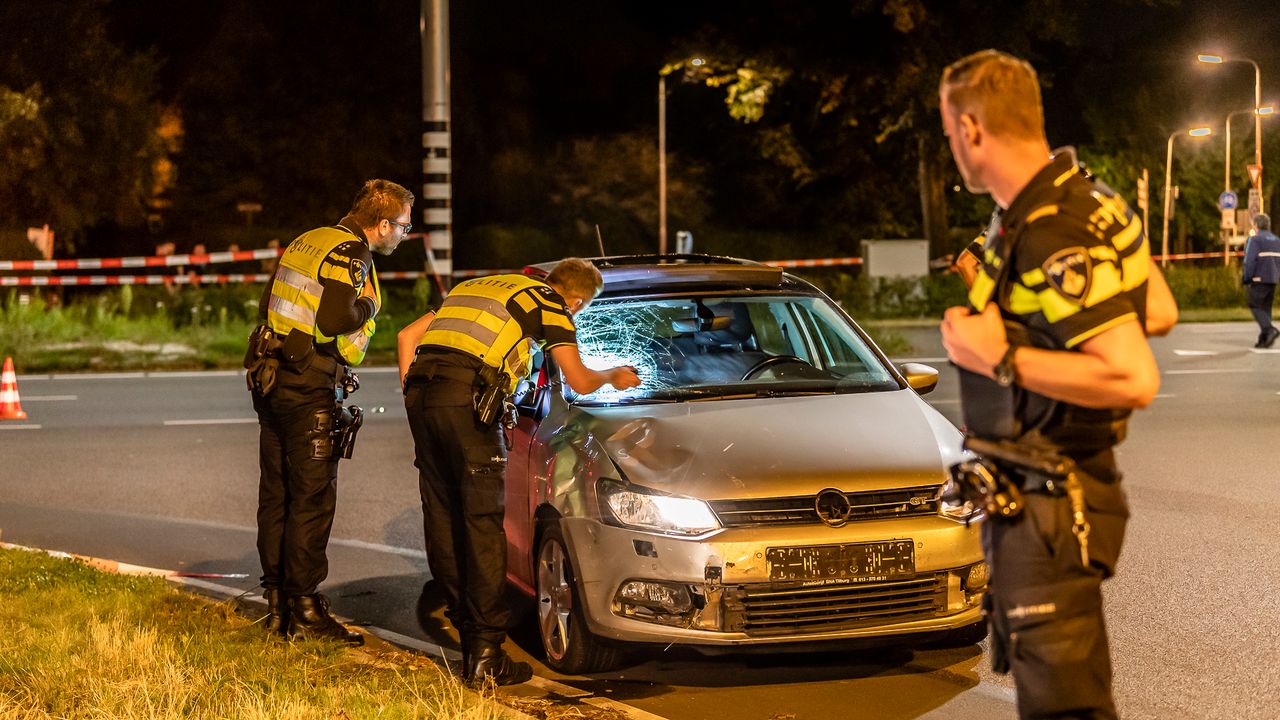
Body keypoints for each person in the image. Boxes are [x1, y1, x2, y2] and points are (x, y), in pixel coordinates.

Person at [938, 50, 1169, 719]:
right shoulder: (1078, 200)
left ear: (973, 128)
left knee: (1064, 711)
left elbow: (1132, 374)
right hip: (1042, 498)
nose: (953, 146)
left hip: (1049, 503)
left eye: (951, 132)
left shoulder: (1052, 225)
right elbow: (1156, 309)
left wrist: (1000, 355)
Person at [397, 258, 640, 685]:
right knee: (482, 522)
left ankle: (466, 628)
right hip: (465, 402)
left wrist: (414, 394)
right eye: (580, 312)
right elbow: (580, 382)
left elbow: (407, 336)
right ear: (577, 300)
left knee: (442, 513)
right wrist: (615, 375)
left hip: (423, 393)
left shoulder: (479, 285)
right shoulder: (550, 303)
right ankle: (487, 652)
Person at [246, 179, 415, 645]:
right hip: (307, 384)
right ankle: (304, 610)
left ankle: (278, 602)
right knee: (311, 498)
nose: (404, 234)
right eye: (403, 226)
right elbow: (333, 321)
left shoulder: (309, 239)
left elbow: (267, 305)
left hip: (272, 375)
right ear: (382, 224)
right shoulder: (351, 253)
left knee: (276, 494)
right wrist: (368, 306)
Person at [1241, 213, 1280, 348]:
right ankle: (1264, 339)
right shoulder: (1276, 240)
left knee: (1255, 305)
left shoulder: (1255, 239)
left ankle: (1270, 330)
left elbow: (1249, 261)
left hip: (1258, 278)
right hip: (1273, 279)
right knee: (1265, 308)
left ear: (1256, 225)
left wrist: (1246, 278)